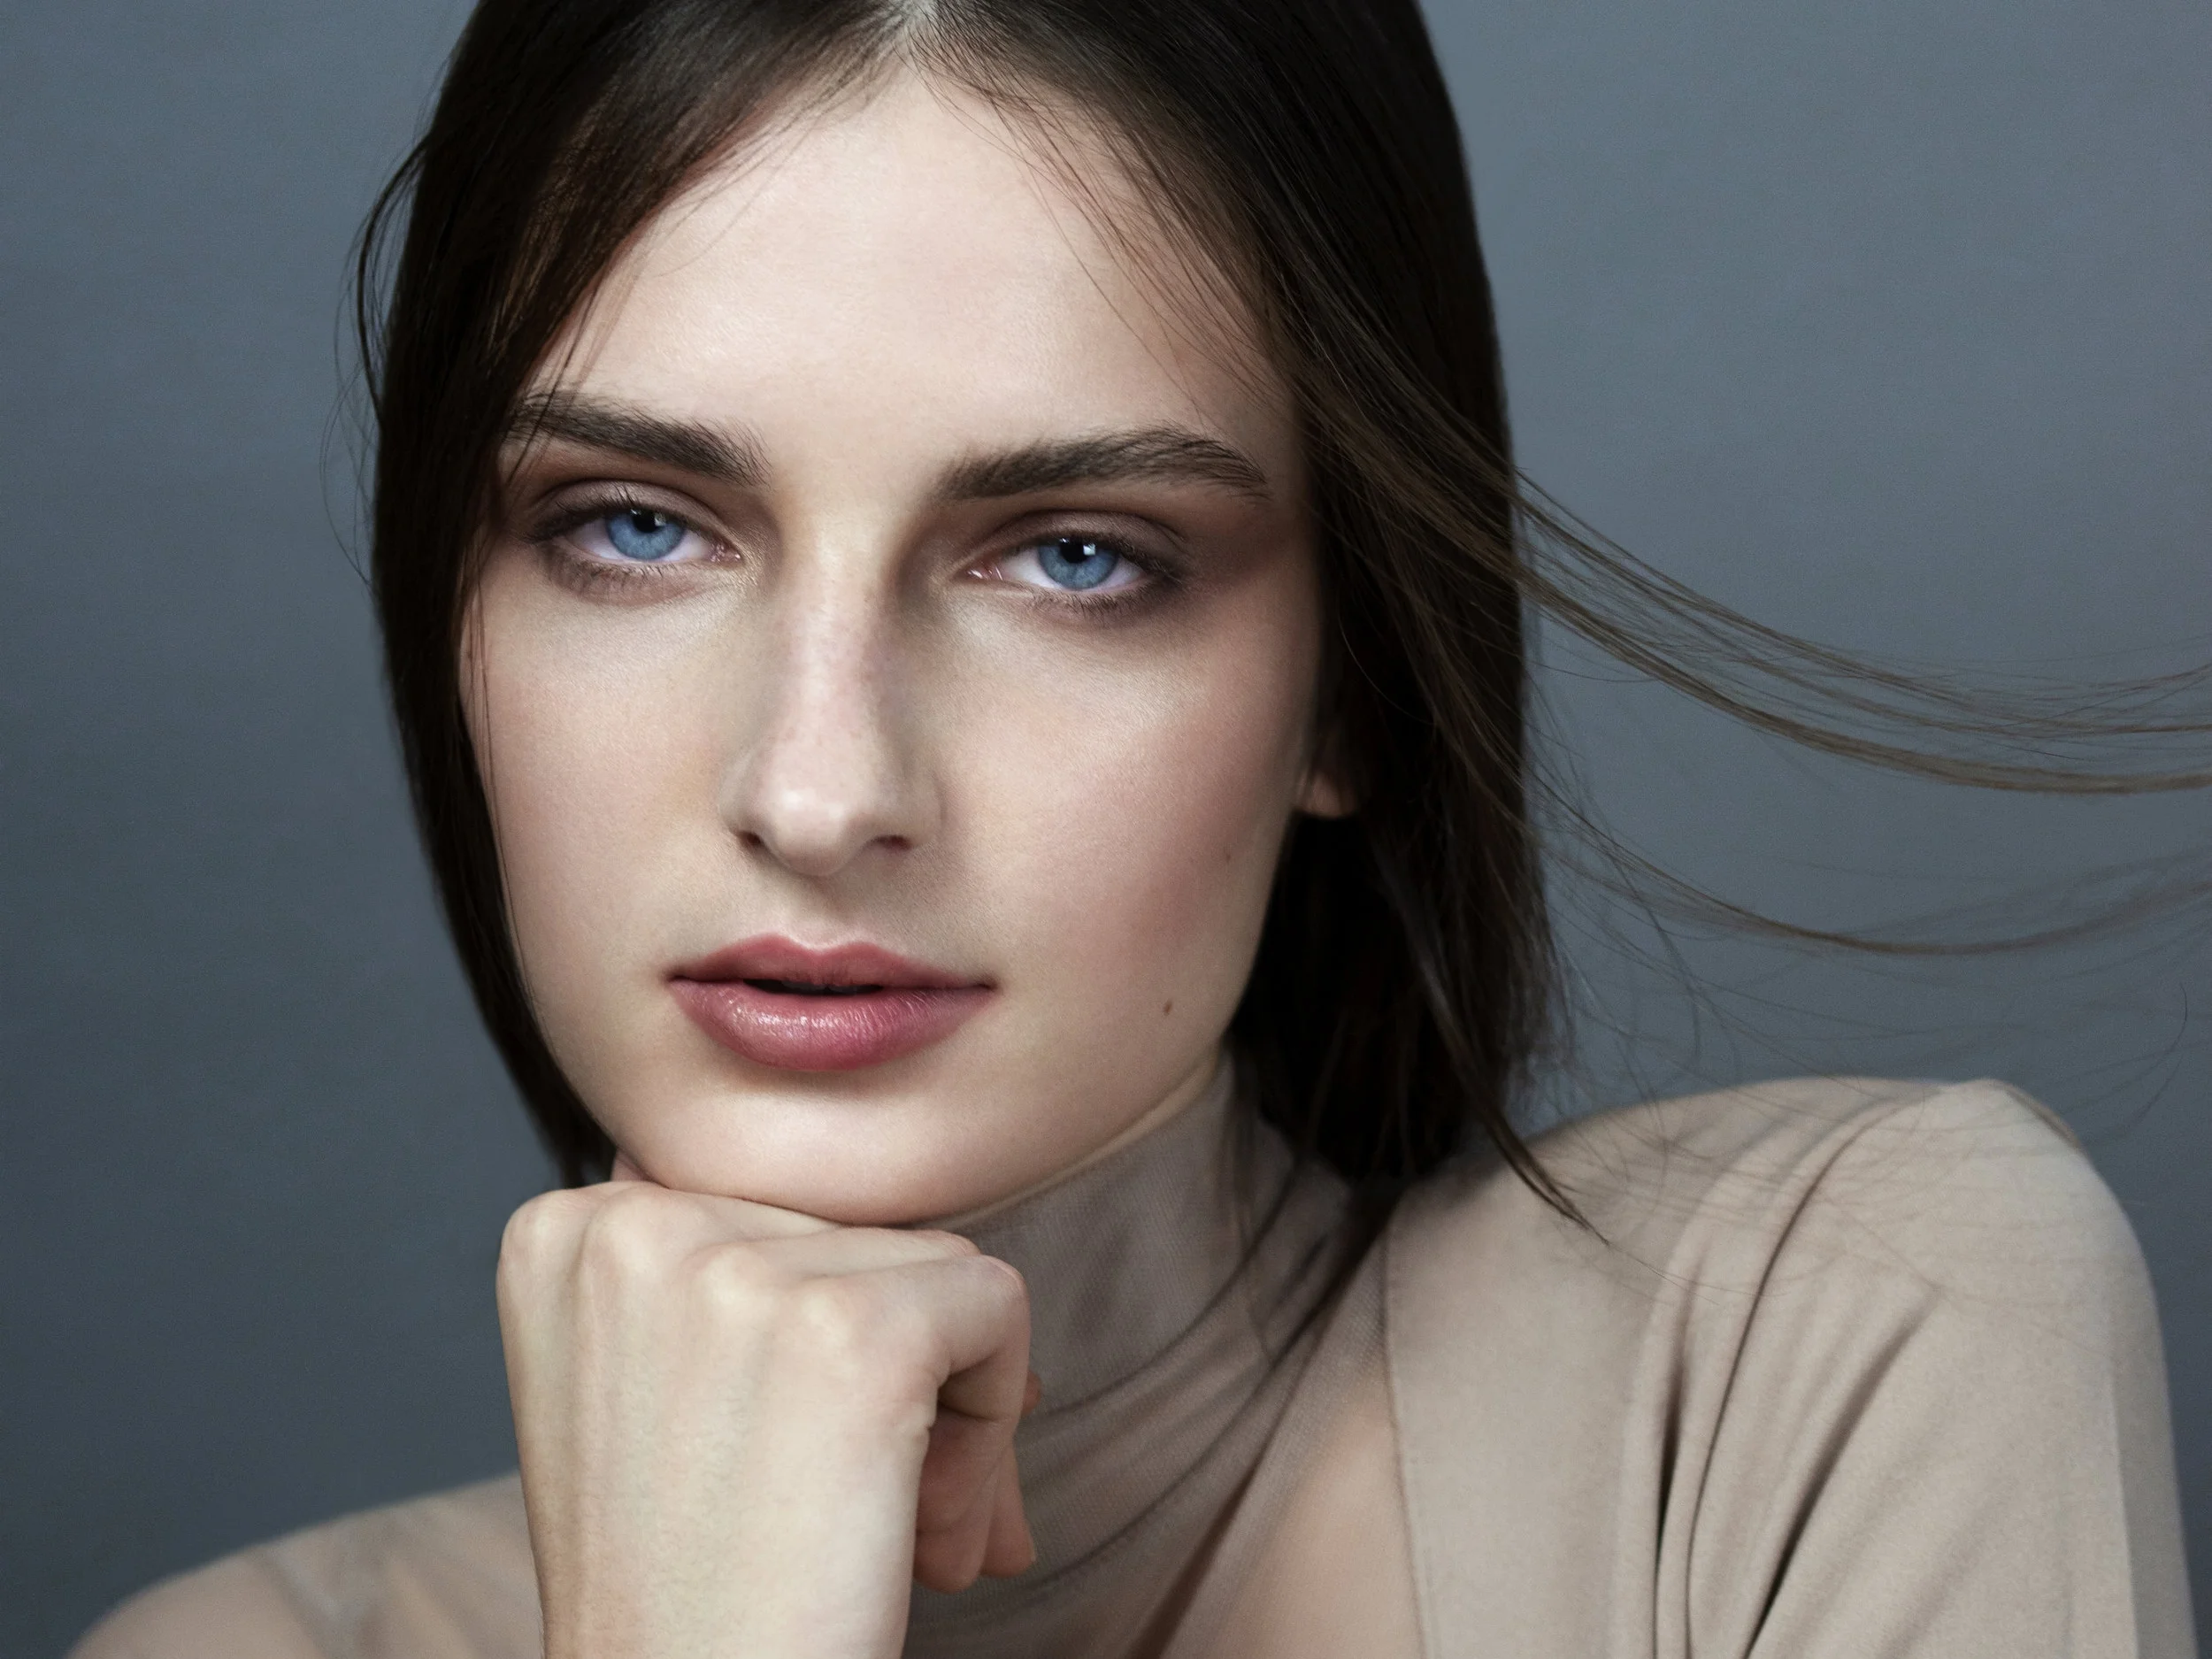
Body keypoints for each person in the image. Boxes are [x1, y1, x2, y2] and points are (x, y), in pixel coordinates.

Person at [70, 0, 2197, 1655]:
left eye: (1074, 557)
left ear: (1351, 680)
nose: (817, 790)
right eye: (633, 526)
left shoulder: (1812, 1365)